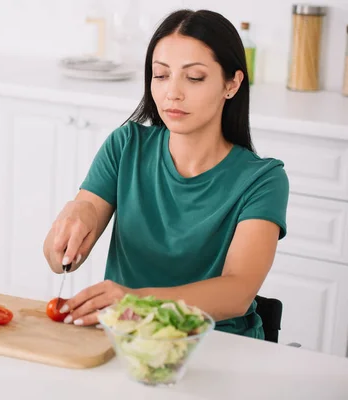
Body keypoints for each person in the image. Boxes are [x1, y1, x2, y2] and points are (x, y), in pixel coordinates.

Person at [43, 9, 289, 339]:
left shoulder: (262, 180)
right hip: (128, 341)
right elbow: (63, 251)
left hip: (219, 346)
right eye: (161, 76)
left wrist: (135, 301)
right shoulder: (126, 146)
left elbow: (238, 292)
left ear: (231, 84)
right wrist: (74, 219)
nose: (172, 92)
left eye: (195, 77)